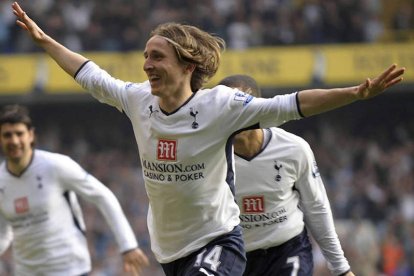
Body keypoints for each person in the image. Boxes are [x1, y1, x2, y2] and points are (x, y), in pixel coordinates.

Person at [11, 2, 405, 275]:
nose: (147, 64)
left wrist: (354, 93)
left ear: (187, 64)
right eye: (146, 56)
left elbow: (292, 104)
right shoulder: (136, 100)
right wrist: (45, 41)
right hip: (168, 248)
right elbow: (90, 74)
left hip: (218, 239)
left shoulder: (223, 106)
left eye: (157, 57)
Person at [218, 74, 354, 276]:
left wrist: (341, 268)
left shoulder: (293, 149)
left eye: (240, 108)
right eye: (226, 110)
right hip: (237, 256)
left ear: (258, 109)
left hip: (288, 250)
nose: (233, 116)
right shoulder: (211, 156)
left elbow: (316, 208)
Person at [0, 104, 149, 276]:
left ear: (31, 135)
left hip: (70, 269)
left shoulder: (55, 166)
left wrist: (128, 245)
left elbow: (102, 196)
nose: (14, 141)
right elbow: (4, 231)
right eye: (7, 135)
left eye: (19, 134)